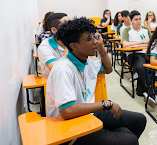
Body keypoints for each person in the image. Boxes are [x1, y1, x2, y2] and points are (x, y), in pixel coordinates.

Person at [46, 17, 146, 145]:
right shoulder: (63, 69)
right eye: (89, 39)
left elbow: (108, 69)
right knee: (130, 139)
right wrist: (105, 104)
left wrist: (102, 49)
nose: (95, 42)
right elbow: (67, 111)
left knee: (139, 121)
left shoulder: (86, 61)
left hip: (88, 115)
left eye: (94, 36)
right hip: (70, 128)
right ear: (74, 46)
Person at [122, 10, 156, 107]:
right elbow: (125, 44)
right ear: (131, 20)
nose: (138, 21)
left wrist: (138, 43)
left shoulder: (145, 29)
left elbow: (151, 42)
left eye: (140, 19)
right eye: (136, 19)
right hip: (133, 55)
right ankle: (150, 91)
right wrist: (141, 42)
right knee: (141, 67)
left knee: (154, 65)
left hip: (146, 54)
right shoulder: (127, 30)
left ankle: (141, 90)